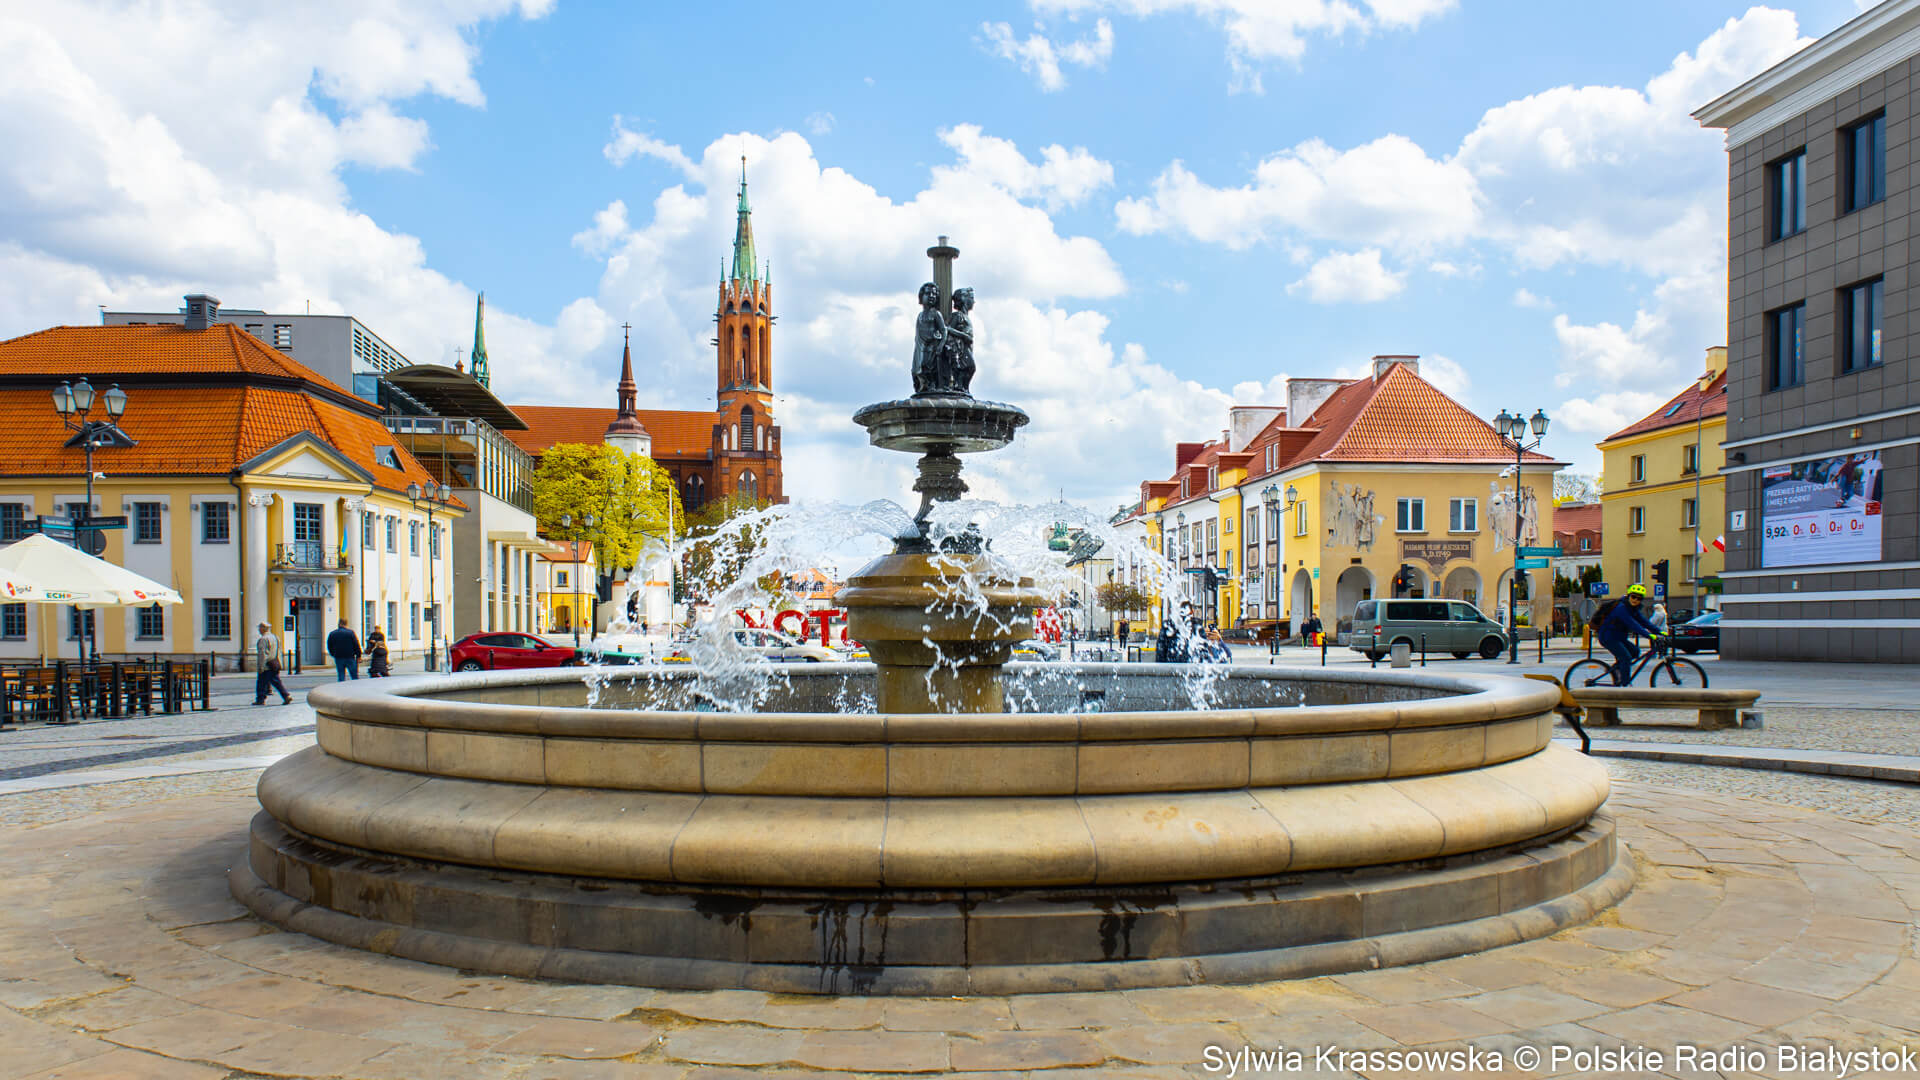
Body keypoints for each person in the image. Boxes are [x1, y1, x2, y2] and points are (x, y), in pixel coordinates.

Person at [1594, 584, 1663, 686]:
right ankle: (1625, 684)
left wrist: (1659, 632)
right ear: (1628, 596)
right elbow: (1633, 624)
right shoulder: (1621, 608)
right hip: (1608, 637)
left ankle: (1616, 669)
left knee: (1635, 652)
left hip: (1619, 637)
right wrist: (1649, 635)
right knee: (1625, 657)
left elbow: (1644, 622)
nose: (1635, 600)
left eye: (1639, 598)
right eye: (1633, 596)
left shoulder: (1633, 609)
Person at [254, 623, 292, 706]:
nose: (259, 630)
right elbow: (279, 651)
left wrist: (260, 666)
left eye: (260, 628)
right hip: (275, 663)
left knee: (262, 683)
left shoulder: (263, 639)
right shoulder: (275, 637)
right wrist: (280, 663)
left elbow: (262, 654)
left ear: (263, 629)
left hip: (267, 665)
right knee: (274, 682)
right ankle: (285, 696)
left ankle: (261, 699)